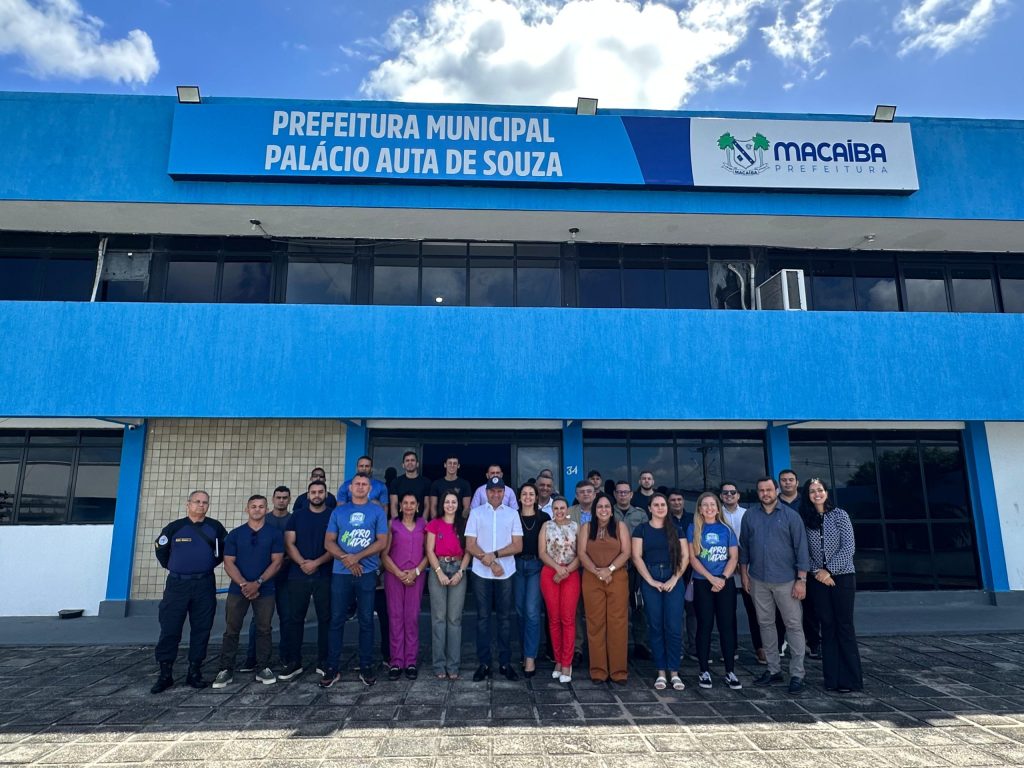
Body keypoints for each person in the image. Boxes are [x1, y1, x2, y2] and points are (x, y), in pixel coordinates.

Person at [151, 490, 227, 693]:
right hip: (177, 585)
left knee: (202, 628)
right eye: (197, 502)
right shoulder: (175, 527)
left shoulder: (215, 527)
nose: (201, 505)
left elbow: (222, 552)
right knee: (170, 628)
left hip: (204, 584)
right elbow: (161, 550)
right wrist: (177, 567)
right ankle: (165, 674)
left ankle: (195, 671)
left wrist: (203, 565)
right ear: (188, 504)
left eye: (205, 502)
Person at [740, 477, 810, 695]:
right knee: (766, 624)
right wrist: (744, 575)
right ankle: (773, 669)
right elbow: (744, 548)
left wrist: (801, 579)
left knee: (793, 626)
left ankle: (797, 674)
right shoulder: (750, 516)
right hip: (758, 579)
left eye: (769, 489)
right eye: (761, 490)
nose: (765, 493)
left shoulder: (791, 516)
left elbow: (801, 549)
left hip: (787, 580)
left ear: (776, 490)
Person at [320, 473, 389, 688]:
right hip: (341, 573)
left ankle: (366, 665)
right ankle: (332, 667)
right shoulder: (339, 511)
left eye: (364, 484)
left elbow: (382, 542)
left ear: (370, 488)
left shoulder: (377, 510)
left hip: (367, 572)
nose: (360, 487)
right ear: (349, 488)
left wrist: (356, 558)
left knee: (367, 620)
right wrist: (346, 559)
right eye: (357, 484)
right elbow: (328, 542)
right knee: (337, 619)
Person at [212, 495, 285, 688]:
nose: (257, 509)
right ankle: (225, 669)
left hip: (266, 589)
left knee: (264, 628)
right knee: (231, 629)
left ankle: (263, 667)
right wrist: (245, 584)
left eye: (261, 506)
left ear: (266, 509)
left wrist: (258, 582)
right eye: (253, 506)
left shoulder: (275, 534)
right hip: (238, 590)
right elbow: (228, 563)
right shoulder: (235, 534)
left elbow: (277, 561)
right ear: (247, 509)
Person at [801, 478, 863, 693]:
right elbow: (802, 551)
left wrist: (830, 570)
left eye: (820, 490)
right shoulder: (806, 519)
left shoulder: (840, 515)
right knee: (827, 626)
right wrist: (818, 572)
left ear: (826, 492)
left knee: (844, 626)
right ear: (807, 495)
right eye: (812, 491)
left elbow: (849, 547)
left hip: (842, 577)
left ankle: (851, 679)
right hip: (818, 579)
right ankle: (832, 679)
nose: (817, 494)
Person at [465, 475, 523, 682]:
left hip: (506, 573)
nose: (496, 494)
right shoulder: (476, 513)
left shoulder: (513, 514)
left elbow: (518, 545)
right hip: (482, 573)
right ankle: (484, 663)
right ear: (486, 492)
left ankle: (505, 663)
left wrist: (495, 556)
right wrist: (490, 563)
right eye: (492, 491)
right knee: (482, 619)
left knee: (505, 619)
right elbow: (470, 545)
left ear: (504, 493)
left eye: (500, 491)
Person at [631, 492, 689, 691]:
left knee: (673, 627)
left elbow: (685, 557)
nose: (660, 507)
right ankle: (661, 672)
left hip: (674, 577)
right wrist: (650, 580)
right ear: (649, 508)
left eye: (663, 504)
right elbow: (637, 557)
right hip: (650, 578)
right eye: (656, 505)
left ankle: (674, 671)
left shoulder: (677, 529)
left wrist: (674, 579)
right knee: (655, 626)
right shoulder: (641, 529)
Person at [280, 480, 334, 681]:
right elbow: (289, 542)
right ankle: (294, 662)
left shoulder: (333, 515)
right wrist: (303, 562)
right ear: (308, 495)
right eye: (313, 492)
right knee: (295, 619)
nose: (317, 495)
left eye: (320, 492)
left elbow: (335, 545)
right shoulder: (297, 516)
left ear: (326, 495)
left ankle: (323, 660)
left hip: (325, 574)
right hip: (298, 574)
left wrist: (316, 563)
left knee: (325, 619)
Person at [688, 492, 742, 691]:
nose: (709, 508)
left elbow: (733, 557)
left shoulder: (726, 530)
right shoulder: (693, 528)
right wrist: (711, 578)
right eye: (705, 505)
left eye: (713, 505)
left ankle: (730, 671)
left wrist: (722, 578)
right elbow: (693, 559)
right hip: (703, 583)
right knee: (705, 626)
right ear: (700, 509)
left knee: (727, 626)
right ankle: (704, 670)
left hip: (724, 583)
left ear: (718, 508)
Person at [578, 492, 631, 684]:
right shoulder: (586, 528)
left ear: (612, 510)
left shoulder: (620, 526)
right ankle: (598, 671)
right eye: (599, 507)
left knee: (617, 623)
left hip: (616, 577)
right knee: (595, 623)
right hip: (592, 579)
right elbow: (581, 553)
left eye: (607, 507)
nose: (603, 510)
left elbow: (626, 552)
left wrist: (609, 570)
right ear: (594, 510)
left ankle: (618, 672)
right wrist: (596, 571)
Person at [240, 485, 292, 674]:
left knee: (287, 617)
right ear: (273, 499)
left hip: (286, 577)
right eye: (278, 497)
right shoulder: (264, 519)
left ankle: (286, 656)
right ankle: (252, 657)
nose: (281, 500)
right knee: (259, 620)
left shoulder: (292, 519)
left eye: (285, 497)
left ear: (289, 500)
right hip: (263, 578)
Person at [381, 493, 428, 679]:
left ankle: (410, 662)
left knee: (411, 618)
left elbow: (428, 552)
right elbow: (384, 554)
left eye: (412, 503)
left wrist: (415, 572)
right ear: (400, 506)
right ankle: (396, 662)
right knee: (395, 617)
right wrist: (399, 573)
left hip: (416, 576)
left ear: (417, 506)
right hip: (394, 576)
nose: (409, 506)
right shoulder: (392, 524)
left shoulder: (423, 524)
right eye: (405, 503)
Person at [425, 491, 471, 678]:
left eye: (454, 502)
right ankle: (439, 665)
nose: (450, 505)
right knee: (439, 619)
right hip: (439, 568)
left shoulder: (464, 525)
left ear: (458, 504)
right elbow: (429, 550)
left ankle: (453, 666)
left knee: (454, 619)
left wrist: (461, 571)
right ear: (442, 504)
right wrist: (439, 573)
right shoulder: (434, 524)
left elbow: (469, 550)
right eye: (447, 502)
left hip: (459, 568)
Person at [720, 482, 765, 665]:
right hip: (725, 571)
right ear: (721, 496)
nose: (729, 495)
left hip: (747, 569)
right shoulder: (716, 514)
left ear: (738, 495)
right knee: (727, 612)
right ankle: (731, 648)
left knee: (754, 610)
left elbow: (754, 541)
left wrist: (742, 562)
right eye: (725, 493)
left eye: (733, 492)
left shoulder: (748, 514)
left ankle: (760, 647)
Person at [780, 468, 820, 659]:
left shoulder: (806, 503)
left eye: (790, 480)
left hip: (807, 559)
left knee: (810, 604)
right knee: (782, 604)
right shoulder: (775, 503)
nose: (787, 483)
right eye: (783, 480)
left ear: (796, 483)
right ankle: (782, 643)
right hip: (782, 561)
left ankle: (813, 643)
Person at [539, 497, 580, 683]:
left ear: (567, 509)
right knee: (554, 619)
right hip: (550, 573)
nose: (559, 511)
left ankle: (567, 662)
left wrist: (565, 571)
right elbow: (542, 552)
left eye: (562, 508)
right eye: (556, 508)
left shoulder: (576, 527)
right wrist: (557, 568)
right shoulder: (546, 526)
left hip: (570, 573)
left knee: (568, 619)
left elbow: (581, 554)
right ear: (552, 510)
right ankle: (557, 660)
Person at [514, 482, 550, 677]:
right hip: (516, 566)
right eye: (524, 494)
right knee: (520, 611)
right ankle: (524, 651)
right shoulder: (512, 516)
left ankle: (530, 658)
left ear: (536, 498)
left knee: (532, 612)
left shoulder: (544, 518)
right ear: (519, 498)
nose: (528, 497)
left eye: (531, 494)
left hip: (536, 566)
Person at [613, 481, 651, 661]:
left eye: (625, 492)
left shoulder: (641, 514)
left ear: (631, 495)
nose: (622, 495)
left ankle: (640, 644)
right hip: (615, 567)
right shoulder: (608, 511)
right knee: (618, 608)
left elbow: (646, 537)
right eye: (619, 492)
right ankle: (619, 644)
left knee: (638, 606)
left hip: (636, 567)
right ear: (614, 494)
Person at [389, 451, 432, 520]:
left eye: (412, 460)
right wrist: (397, 524)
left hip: (420, 523)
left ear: (417, 464)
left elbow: (427, 505)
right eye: (407, 460)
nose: (410, 463)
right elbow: (394, 505)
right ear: (403, 465)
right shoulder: (396, 482)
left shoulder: (426, 482)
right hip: (401, 523)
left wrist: (423, 523)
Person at [428, 454, 472, 519]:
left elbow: (466, 507)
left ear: (458, 466)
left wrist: (461, 523)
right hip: (440, 522)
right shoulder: (436, 484)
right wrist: (435, 523)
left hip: (458, 522)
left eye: (454, 463)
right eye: (449, 463)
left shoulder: (465, 484)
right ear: (445, 465)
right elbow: (433, 506)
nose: (452, 466)